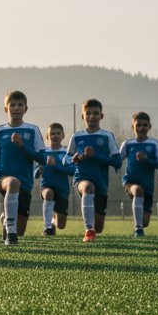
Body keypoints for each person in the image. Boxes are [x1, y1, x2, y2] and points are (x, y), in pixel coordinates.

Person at [0, 90, 46, 245]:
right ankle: (11, 235)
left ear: (26, 109)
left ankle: (7, 220)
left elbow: (42, 158)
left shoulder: (32, 130)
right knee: (12, 183)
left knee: (21, 230)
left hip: (25, 181)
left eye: (20, 105)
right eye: (12, 105)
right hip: (3, 176)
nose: (16, 108)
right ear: (6, 109)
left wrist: (22, 146)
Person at [65, 98, 122, 244]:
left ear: (101, 116)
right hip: (81, 178)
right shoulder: (76, 137)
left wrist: (95, 155)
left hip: (101, 183)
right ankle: (88, 231)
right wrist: (74, 159)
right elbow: (65, 159)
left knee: (99, 227)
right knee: (88, 188)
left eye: (95, 113)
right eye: (88, 113)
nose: (92, 116)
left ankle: (93, 228)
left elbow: (118, 161)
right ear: (82, 116)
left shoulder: (107, 136)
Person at [119, 111, 158, 237]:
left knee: (145, 221)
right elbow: (117, 160)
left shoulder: (154, 143)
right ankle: (138, 229)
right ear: (132, 127)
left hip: (148, 186)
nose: (141, 128)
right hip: (130, 181)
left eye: (144, 125)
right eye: (138, 125)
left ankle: (139, 226)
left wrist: (147, 159)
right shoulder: (128, 144)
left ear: (149, 127)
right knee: (138, 191)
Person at [36, 122, 73, 236]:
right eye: (52, 133)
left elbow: (72, 171)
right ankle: (47, 228)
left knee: (61, 225)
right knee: (48, 194)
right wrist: (38, 171)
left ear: (63, 136)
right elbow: (34, 171)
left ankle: (52, 222)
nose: (55, 136)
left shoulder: (67, 153)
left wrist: (56, 165)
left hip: (62, 189)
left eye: (58, 133)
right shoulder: (43, 153)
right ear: (47, 137)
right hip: (47, 186)